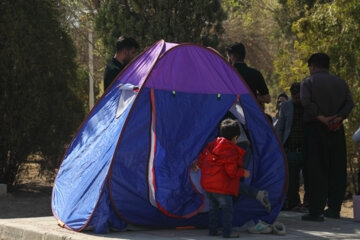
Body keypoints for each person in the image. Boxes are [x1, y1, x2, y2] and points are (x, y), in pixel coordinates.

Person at [300, 53, 354, 221]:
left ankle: (316, 210)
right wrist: (339, 117)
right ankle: (334, 209)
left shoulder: (308, 82)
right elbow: (350, 103)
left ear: (313, 66)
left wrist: (321, 117)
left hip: (315, 129)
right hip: (336, 129)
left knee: (315, 169)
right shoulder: (341, 83)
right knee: (337, 169)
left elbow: (306, 102)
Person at [197, 119, 249, 238]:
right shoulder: (231, 150)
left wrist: (197, 165)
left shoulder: (212, 144)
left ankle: (213, 230)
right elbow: (231, 172)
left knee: (213, 208)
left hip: (208, 185)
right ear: (235, 138)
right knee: (227, 210)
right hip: (222, 187)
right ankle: (227, 233)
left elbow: (202, 158)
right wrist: (243, 172)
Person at [276, 83, 308, 211]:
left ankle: (307, 203)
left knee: (309, 179)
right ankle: (294, 203)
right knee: (292, 180)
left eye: (299, 97)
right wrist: (280, 147)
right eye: (295, 97)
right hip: (291, 148)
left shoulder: (309, 105)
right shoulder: (286, 106)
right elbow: (281, 128)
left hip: (307, 148)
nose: (297, 100)